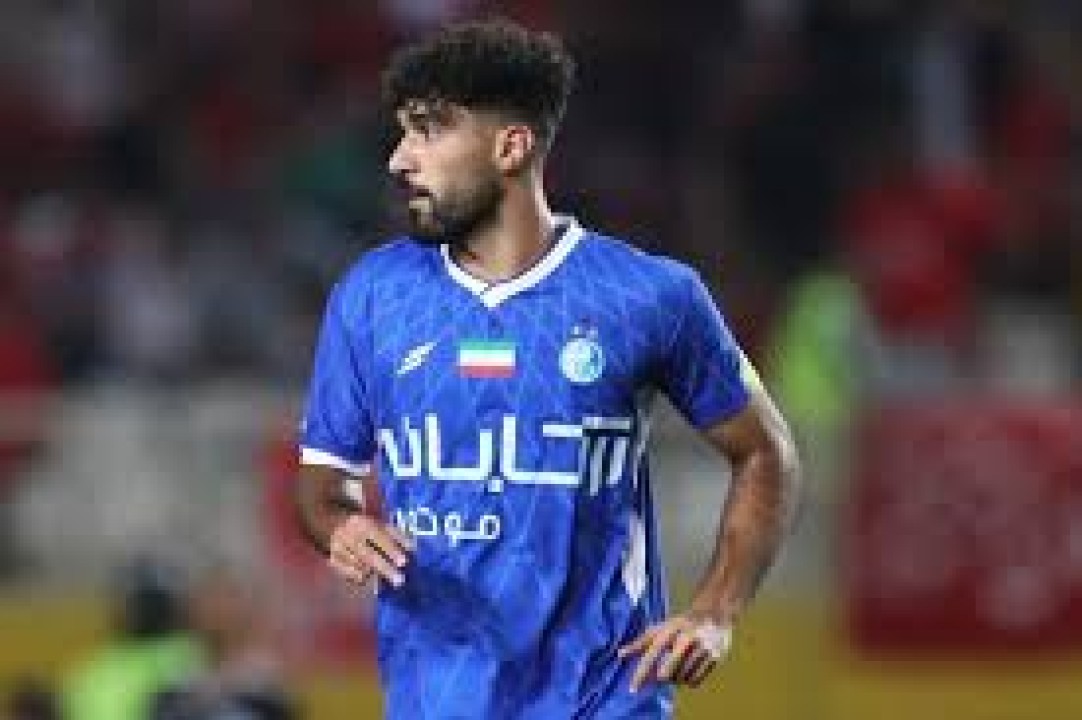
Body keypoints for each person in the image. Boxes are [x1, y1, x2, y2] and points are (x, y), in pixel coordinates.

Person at [294, 19, 801, 719]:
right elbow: (323, 485)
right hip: (437, 698)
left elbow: (766, 454)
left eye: (428, 131)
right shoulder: (373, 297)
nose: (399, 159)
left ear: (511, 147)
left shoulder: (649, 296)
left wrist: (716, 611)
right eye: (403, 133)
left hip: (605, 698)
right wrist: (341, 527)